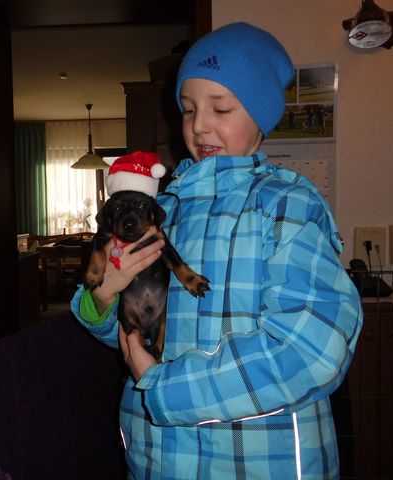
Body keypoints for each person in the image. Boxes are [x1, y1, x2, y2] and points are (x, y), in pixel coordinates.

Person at [71, 21, 362, 479]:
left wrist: (164, 387)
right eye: (188, 109)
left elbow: (312, 348)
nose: (199, 125)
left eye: (220, 108)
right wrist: (102, 299)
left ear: (262, 115)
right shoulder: (161, 213)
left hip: (262, 464)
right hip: (158, 461)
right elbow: (135, 326)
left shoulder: (287, 206)